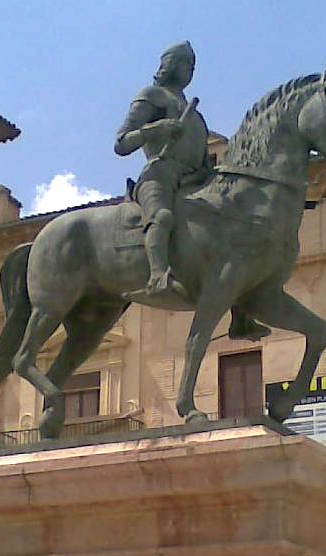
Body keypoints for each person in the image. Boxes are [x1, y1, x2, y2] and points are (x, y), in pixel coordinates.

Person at [115, 41, 270, 339]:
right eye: (186, 63)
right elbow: (121, 143)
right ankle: (158, 277)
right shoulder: (151, 96)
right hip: (160, 174)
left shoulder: (194, 114)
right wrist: (157, 129)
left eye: (193, 66)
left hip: (195, 179)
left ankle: (241, 316)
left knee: (231, 228)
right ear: (170, 65)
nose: (190, 71)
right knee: (161, 217)